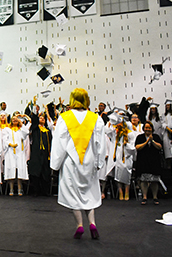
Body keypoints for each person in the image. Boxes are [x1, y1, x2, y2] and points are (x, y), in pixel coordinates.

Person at [50, 88, 106, 240]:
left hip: (70, 162)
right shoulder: (96, 118)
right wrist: (100, 162)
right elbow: (101, 142)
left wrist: (55, 164)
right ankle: (92, 223)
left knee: (73, 194)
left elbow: (60, 143)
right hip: (89, 161)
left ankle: (79, 226)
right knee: (89, 193)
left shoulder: (64, 117)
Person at [26, 97, 53, 196]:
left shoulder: (48, 131)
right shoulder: (36, 129)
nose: (41, 119)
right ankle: (36, 190)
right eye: (40, 118)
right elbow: (34, 120)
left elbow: (51, 142)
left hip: (45, 153)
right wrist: (34, 105)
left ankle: (45, 191)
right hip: (36, 153)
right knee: (36, 171)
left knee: (45, 171)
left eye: (43, 118)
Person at [135, 121, 163, 205]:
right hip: (143, 161)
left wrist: (152, 141)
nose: (147, 129)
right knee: (144, 180)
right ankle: (144, 197)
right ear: (143, 129)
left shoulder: (156, 137)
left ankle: (155, 197)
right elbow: (137, 147)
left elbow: (160, 147)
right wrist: (147, 142)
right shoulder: (140, 137)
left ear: (152, 129)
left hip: (154, 161)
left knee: (154, 180)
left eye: (149, 128)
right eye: (146, 127)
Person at [3, 113, 30, 196]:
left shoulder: (20, 130)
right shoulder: (7, 129)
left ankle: (19, 188)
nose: (15, 120)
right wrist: (10, 144)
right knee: (11, 169)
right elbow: (4, 139)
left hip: (19, 152)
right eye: (13, 119)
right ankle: (11, 189)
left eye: (16, 119)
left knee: (19, 170)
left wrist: (21, 123)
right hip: (10, 152)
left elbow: (26, 132)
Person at [112, 120, 136, 200]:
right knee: (118, 173)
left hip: (127, 156)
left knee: (127, 172)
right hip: (118, 156)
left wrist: (127, 144)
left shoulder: (130, 133)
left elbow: (133, 146)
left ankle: (126, 191)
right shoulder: (117, 134)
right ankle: (120, 191)